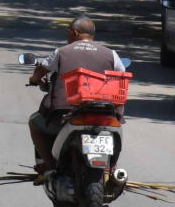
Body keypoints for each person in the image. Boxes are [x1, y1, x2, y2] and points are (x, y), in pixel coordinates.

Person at [25, 16, 127, 174]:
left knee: (34, 123)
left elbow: (41, 70)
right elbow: (121, 75)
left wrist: (34, 79)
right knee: (115, 131)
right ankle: (111, 167)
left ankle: (50, 164)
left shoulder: (62, 52)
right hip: (106, 114)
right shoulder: (111, 54)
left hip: (67, 113)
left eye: (67, 32)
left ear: (74, 33)